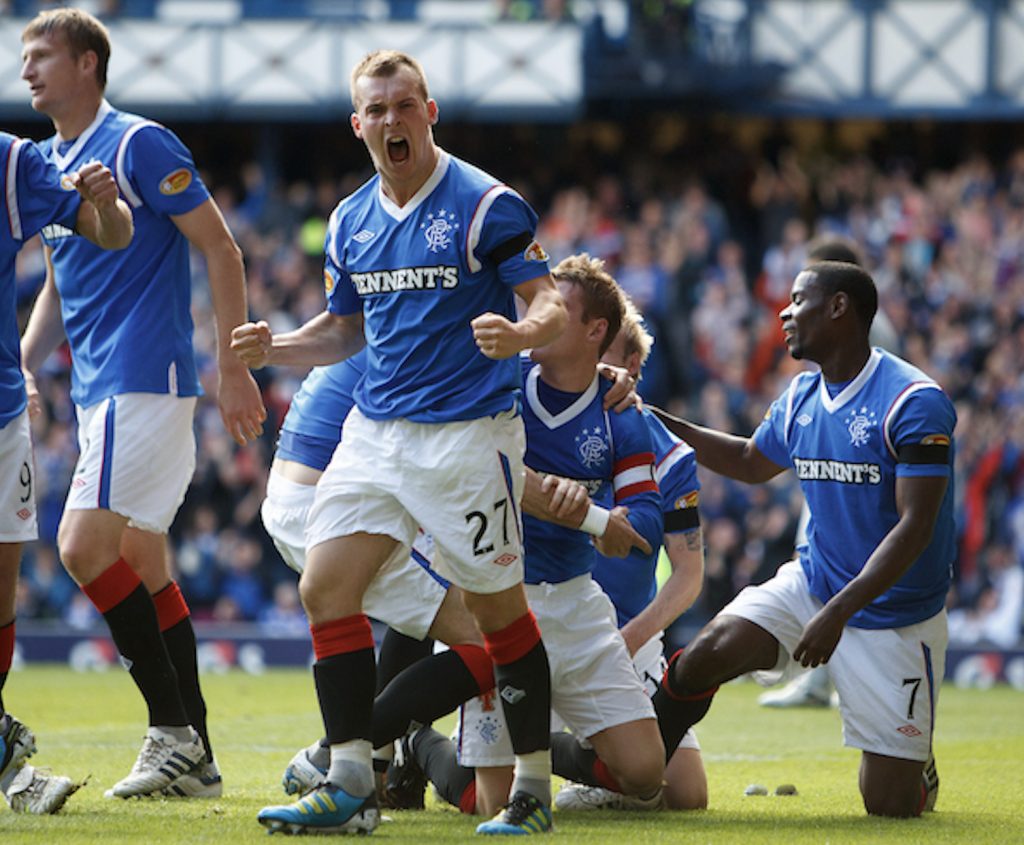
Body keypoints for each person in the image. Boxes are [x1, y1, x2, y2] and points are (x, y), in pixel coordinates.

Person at [232, 49, 567, 835]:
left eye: (405, 104)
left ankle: (533, 788)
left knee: (498, 613)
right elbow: (344, 329)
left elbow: (547, 297)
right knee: (325, 586)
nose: (392, 119)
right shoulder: (349, 221)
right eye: (376, 109)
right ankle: (352, 778)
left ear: (430, 112)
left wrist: (523, 333)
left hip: (468, 436)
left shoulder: (485, 204)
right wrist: (276, 346)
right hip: (376, 434)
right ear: (358, 125)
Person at [18, 8, 266, 799]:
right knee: (141, 563)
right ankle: (200, 760)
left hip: (144, 377)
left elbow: (220, 246)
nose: (26, 69)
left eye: (41, 54)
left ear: (88, 63)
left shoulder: (137, 143)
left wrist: (234, 366)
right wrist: (22, 362)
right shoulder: (48, 164)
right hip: (101, 388)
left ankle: (172, 734)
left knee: (81, 547)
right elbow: (58, 282)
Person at [651, 261, 954, 817]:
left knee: (890, 806)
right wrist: (657, 423)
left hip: (893, 613)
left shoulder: (914, 401)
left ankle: (918, 767)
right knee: (705, 654)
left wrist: (838, 613)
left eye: (797, 300)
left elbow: (916, 527)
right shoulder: (800, 396)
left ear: (838, 307)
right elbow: (750, 461)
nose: (784, 314)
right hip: (815, 583)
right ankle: (633, 780)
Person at [0, 130, 133, 813]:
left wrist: (107, 204)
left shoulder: (11, 161)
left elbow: (113, 234)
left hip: (2, 412)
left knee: (2, 596)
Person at [553, 295, 709, 812]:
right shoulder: (537, 414)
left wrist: (630, 639)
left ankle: (588, 766)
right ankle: (424, 746)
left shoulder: (670, 457)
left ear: (632, 367)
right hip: (544, 616)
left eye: (604, 352)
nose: (588, 362)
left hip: (623, 634)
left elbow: (688, 573)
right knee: (483, 791)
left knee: (685, 794)